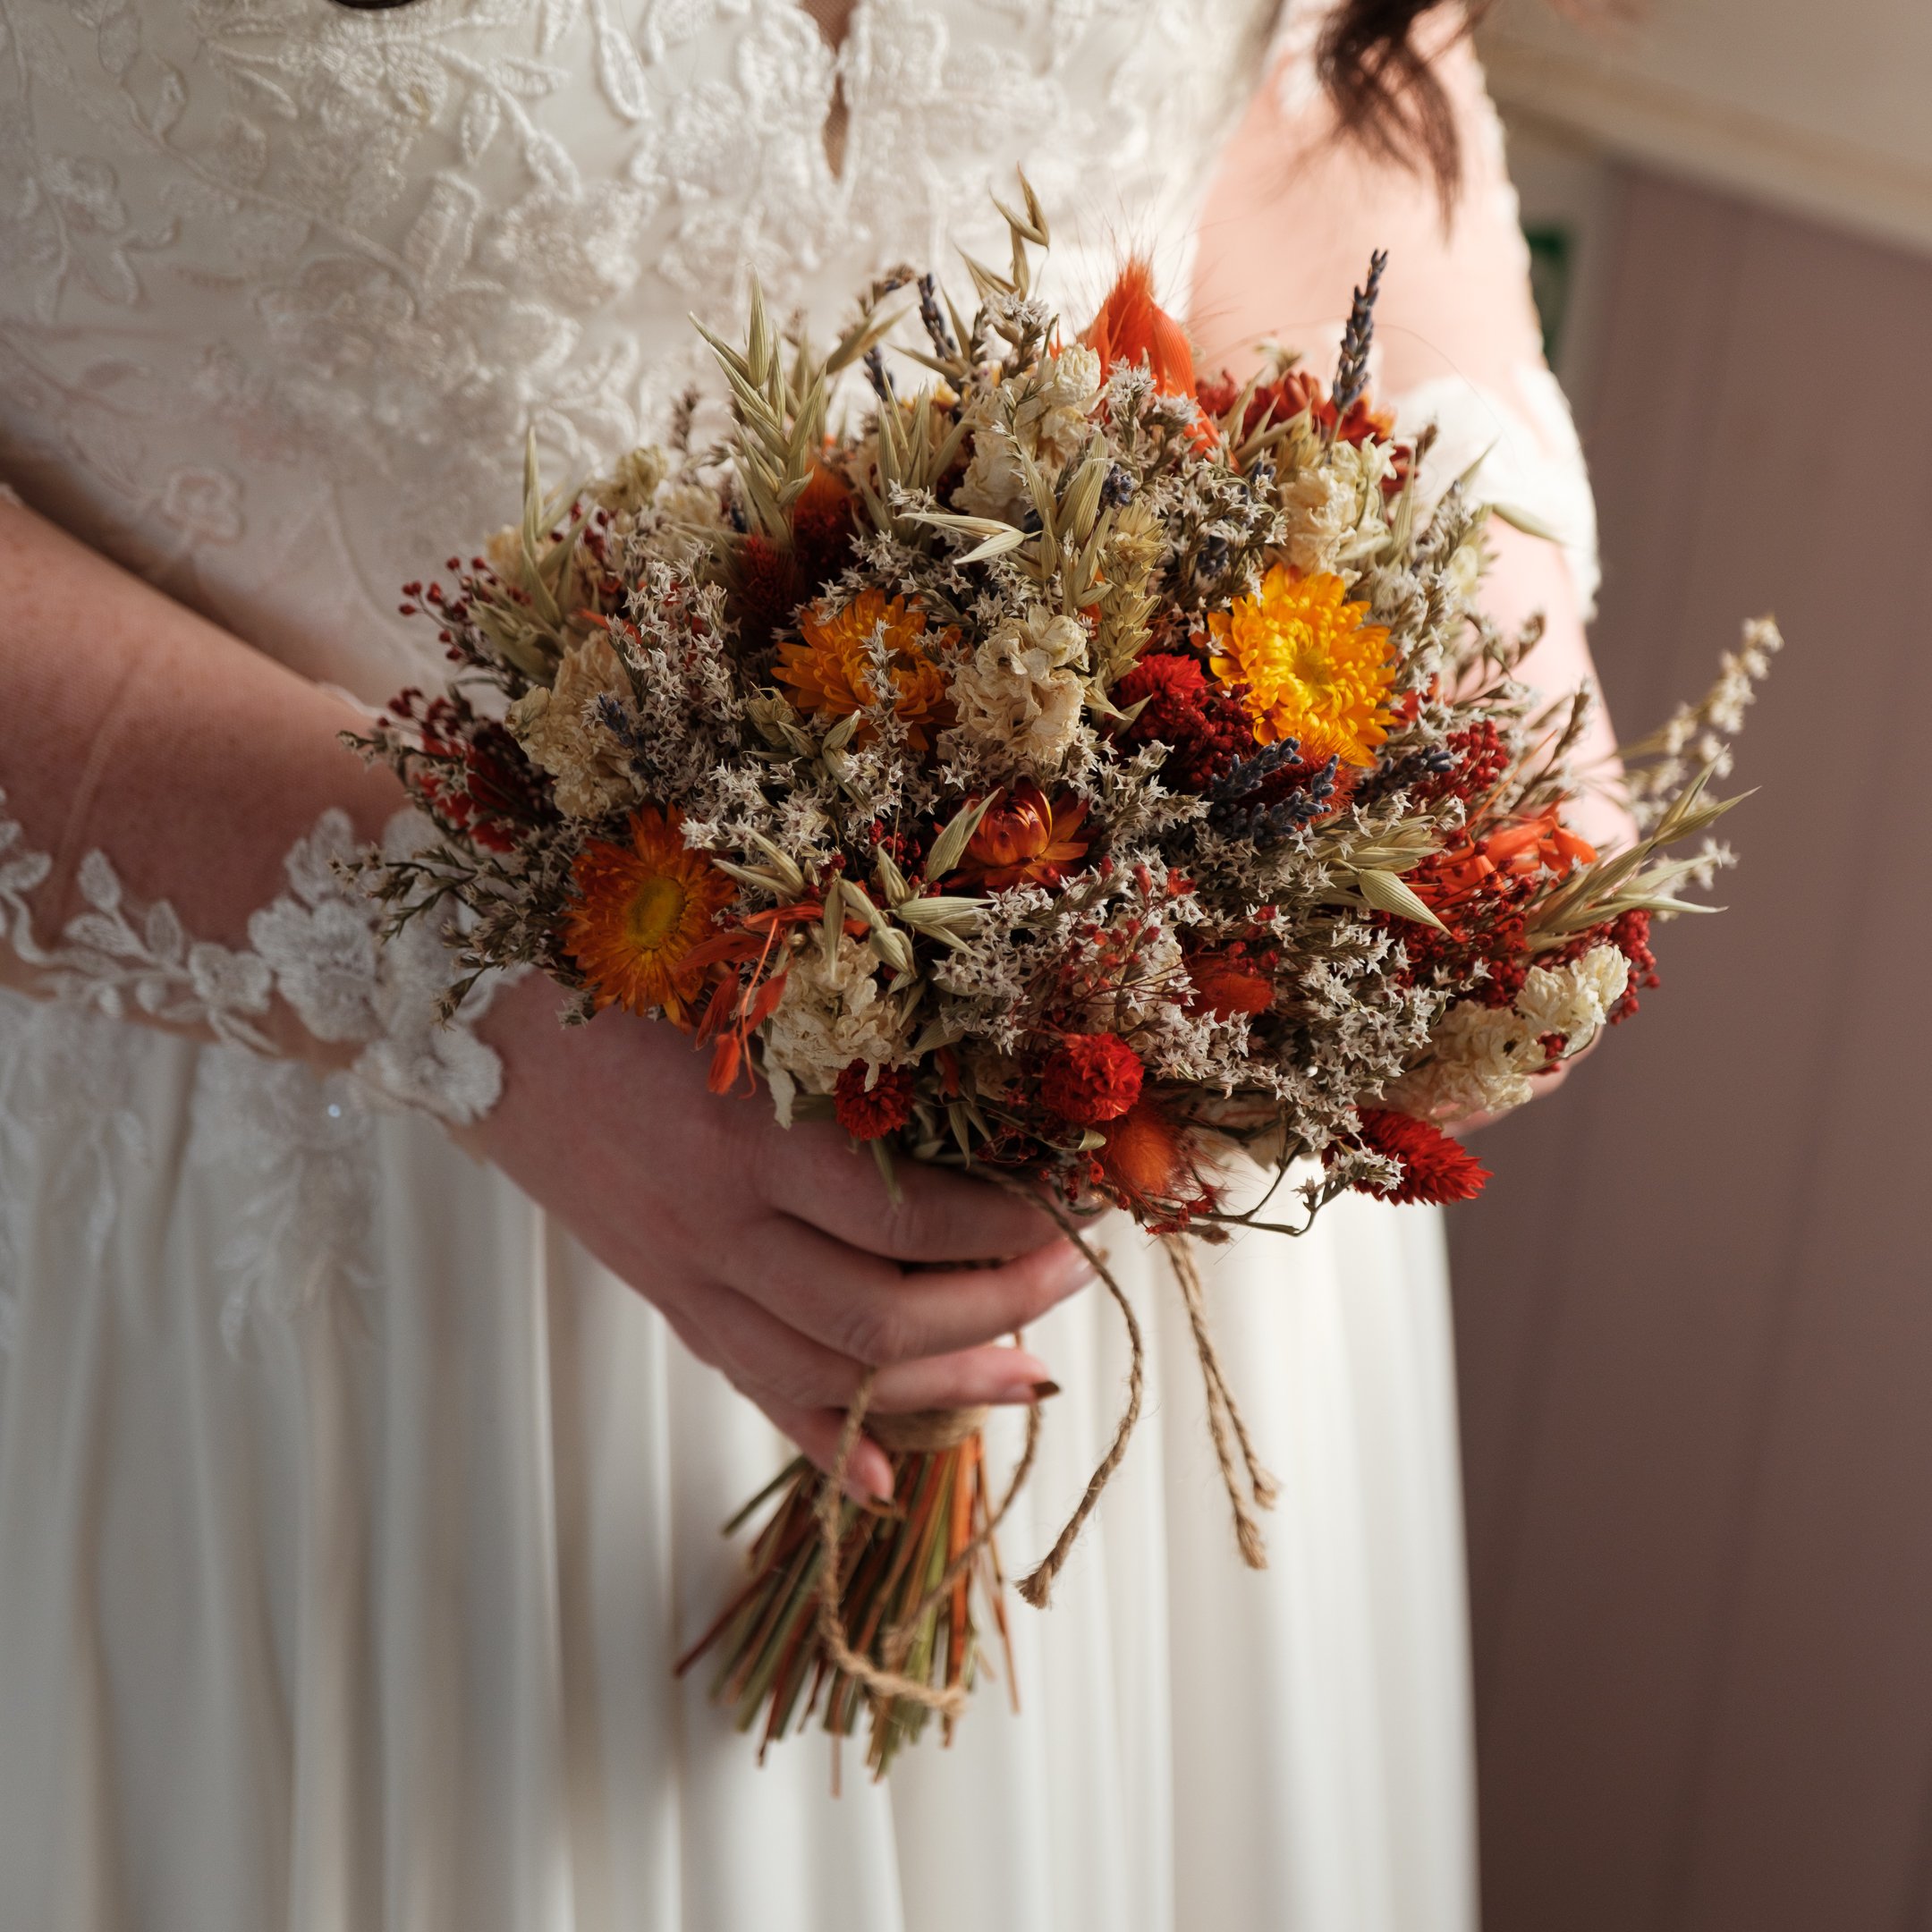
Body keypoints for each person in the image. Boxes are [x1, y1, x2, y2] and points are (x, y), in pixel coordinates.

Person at [0, 1, 1614, 1925]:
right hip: (273, 1249)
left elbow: (1308, 81)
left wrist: (1465, 598)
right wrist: (454, 983)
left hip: (1111, 1240)